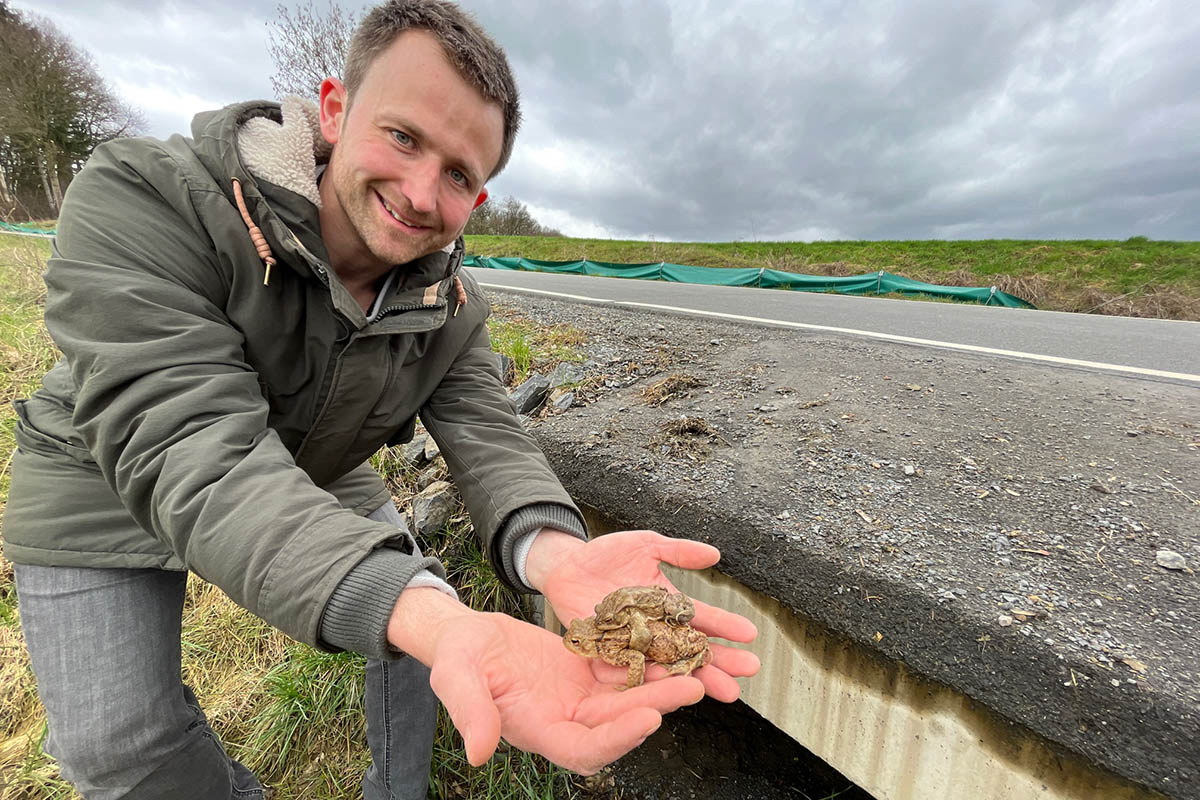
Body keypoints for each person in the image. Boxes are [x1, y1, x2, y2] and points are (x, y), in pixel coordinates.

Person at [2, 1, 760, 798]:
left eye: (461, 174)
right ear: (334, 109)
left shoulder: (452, 308)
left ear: (481, 198)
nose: (422, 191)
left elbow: (489, 437)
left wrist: (553, 552)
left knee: (416, 614)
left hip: (316, 460)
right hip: (106, 470)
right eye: (403, 137)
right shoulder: (147, 197)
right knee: (120, 748)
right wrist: (419, 608)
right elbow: (192, 447)